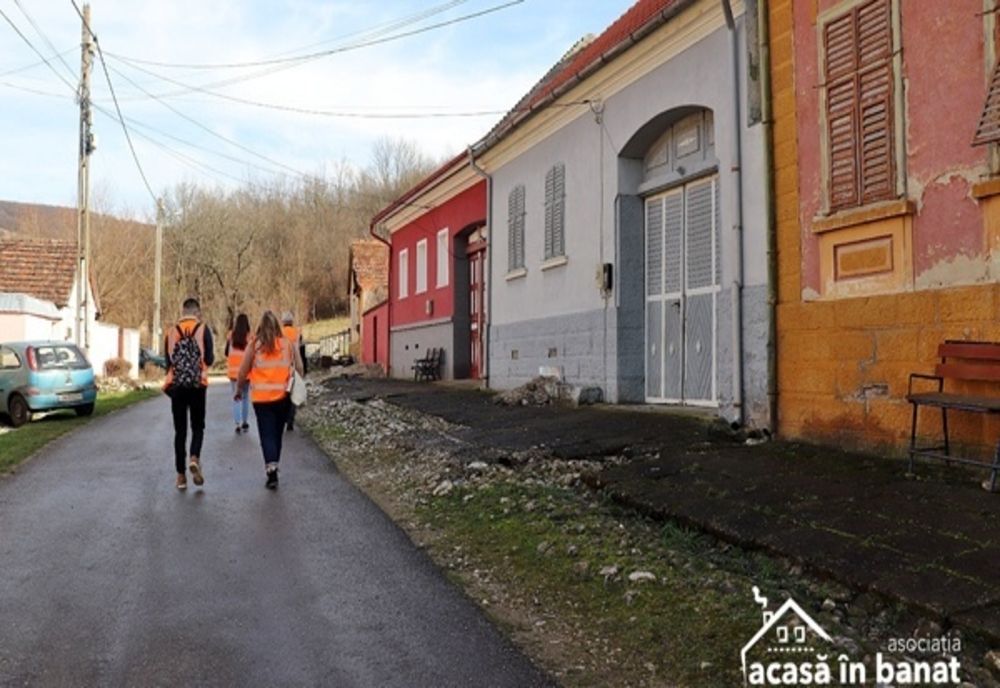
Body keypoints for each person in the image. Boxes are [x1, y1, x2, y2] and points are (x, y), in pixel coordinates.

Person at [236, 310, 304, 489]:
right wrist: (298, 382)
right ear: (277, 325)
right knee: (277, 433)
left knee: (266, 434)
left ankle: (271, 468)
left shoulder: (255, 345)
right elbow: (299, 366)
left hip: (261, 399)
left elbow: (243, 370)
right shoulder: (287, 344)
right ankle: (274, 463)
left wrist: (238, 389)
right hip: (283, 397)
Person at [163, 297, 214, 490]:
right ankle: (194, 457)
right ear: (197, 311)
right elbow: (209, 358)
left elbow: (167, 361)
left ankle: (180, 476)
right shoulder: (203, 329)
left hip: (177, 387)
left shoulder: (171, 332)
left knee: (180, 431)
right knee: (198, 426)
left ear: (182, 311)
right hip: (198, 385)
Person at [226, 313, 253, 434]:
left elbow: (226, 352)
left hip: (233, 372)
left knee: (236, 397)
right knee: (246, 397)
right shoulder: (250, 337)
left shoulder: (231, 336)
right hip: (246, 372)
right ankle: (245, 422)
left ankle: (237, 423)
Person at [280, 311, 305, 431]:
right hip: (294, 367)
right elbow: (300, 351)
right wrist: (302, 370)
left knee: (284, 393)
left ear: (283, 322)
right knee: (293, 393)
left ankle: (283, 417)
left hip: (281, 368)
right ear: (292, 322)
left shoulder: (279, 333)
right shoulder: (297, 333)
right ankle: (291, 419)